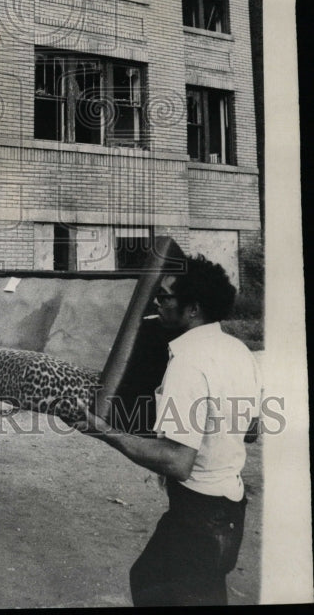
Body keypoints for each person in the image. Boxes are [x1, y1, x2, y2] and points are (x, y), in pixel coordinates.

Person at [77, 254, 262, 607]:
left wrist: (103, 431)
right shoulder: (238, 351)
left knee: (151, 584)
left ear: (191, 309)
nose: (157, 303)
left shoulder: (188, 361)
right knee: (194, 589)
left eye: (165, 297)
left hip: (199, 516)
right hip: (230, 510)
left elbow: (178, 462)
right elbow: (251, 429)